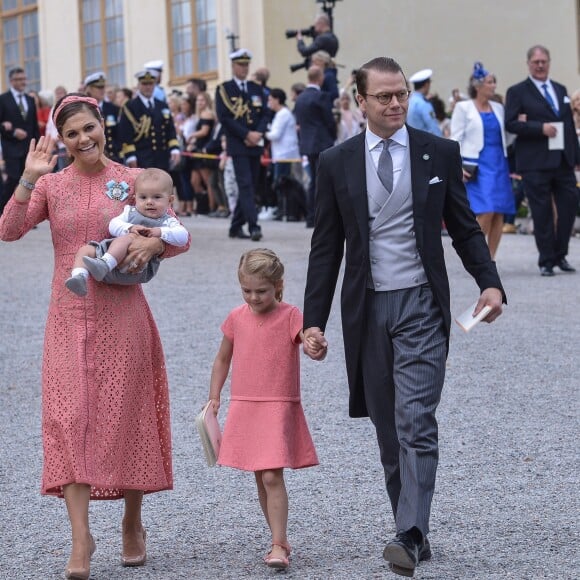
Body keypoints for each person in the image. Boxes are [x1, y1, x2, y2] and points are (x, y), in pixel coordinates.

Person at [302, 57, 505, 578]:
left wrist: (490, 281)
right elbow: (325, 248)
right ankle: (411, 527)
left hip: (420, 304)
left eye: (401, 96)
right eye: (385, 96)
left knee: (417, 420)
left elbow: (462, 227)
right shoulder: (335, 161)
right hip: (367, 308)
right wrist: (313, 320)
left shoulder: (437, 151)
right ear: (361, 100)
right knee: (389, 427)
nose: (396, 104)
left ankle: (409, 533)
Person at [0, 93, 190, 579]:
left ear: (103, 125)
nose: (84, 139)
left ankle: (132, 522)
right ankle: (80, 539)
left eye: (90, 128)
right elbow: (9, 229)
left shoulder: (130, 180)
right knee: (69, 419)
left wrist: (149, 244)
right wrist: (27, 178)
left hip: (122, 314)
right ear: (60, 141)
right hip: (67, 314)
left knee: (124, 415)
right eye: (72, 133)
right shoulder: (53, 183)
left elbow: (173, 230)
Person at [208, 248, 318, 571]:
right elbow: (223, 358)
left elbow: (306, 340)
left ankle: (278, 543)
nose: (253, 298)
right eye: (247, 291)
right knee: (261, 476)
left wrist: (313, 344)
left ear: (278, 286)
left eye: (262, 291)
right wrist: (214, 396)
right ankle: (277, 537)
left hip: (277, 405)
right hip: (246, 405)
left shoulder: (291, 315)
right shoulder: (236, 317)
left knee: (271, 474)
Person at [505, 45, 580, 276]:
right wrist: (540, 128)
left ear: (549, 62)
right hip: (535, 162)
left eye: (544, 61)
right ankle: (546, 260)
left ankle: (561, 254)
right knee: (542, 212)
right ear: (528, 63)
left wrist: (576, 157)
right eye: (536, 62)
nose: (540, 65)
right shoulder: (518, 91)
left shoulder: (560, 89)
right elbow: (511, 123)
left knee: (569, 207)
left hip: (562, 161)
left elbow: (568, 126)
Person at [65, 167, 188, 296]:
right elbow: (113, 225)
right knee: (85, 250)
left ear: (170, 200)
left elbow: (184, 237)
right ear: (135, 198)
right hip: (110, 265)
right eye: (143, 197)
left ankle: (104, 264)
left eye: (157, 197)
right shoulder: (130, 212)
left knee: (129, 238)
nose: (149, 202)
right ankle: (79, 277)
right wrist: (129, 228)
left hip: (138, 267)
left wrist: (161, 232)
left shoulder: (168, 221)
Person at [450, 62, 515, 259]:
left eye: (494, 81)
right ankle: (475, 254)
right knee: (485, 210)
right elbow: (455, 138)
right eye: (489, 82)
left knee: (499, 212)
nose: (494, 85)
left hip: (499, 162)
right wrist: (457, 165)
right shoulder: (463, 108)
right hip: (478, 164)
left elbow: (507, 135)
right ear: (478, 86)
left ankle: (491, 258)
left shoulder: (498, 107)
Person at [215, 48, 268, 241]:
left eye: (246, 65)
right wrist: (246, 134)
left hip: (255, 143)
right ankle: (254, 226)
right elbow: (225, 118)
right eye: (240, 65)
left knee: (250, 185)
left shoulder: (256, 88)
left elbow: (264, 114)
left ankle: (235, 226)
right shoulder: (224, 89)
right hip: (238, 144)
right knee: (245, 185)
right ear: (233, 66)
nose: (243, 68)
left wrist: (258, 133)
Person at [294, 65, 337, 227]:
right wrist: (332, 137)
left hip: (307, 144)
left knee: (313, 182)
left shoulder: (300, 98)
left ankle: (311, 216)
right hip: (322, 143)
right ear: (321, 78)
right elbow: (329, 121)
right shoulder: (321, 97)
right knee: (324, 182)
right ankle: (323, 217)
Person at [119, 69, 181, 172]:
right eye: (144, 84)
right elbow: (125, 134)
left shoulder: (162, 105)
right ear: (139, 85)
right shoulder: (130, 107)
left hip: (162, 157)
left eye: (151, 84)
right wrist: (130, 156)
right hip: (141, 157)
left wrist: (174, 148)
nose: (148, 87)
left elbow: (170, 129)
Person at [0, 67, 40, 215]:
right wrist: (11, 131)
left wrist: (37, 146)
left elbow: (34, 125)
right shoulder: (3, 99)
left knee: (28, 181)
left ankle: (24, 214)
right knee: (13, 180)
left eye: (24, 79)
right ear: (11, 81)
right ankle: (3, 212)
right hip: (11, 148)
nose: (23, 82)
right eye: (19, 79)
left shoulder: (30, 99)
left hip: (28, 148)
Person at [265, 88, 304, 221]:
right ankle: (283, 209)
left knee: (282, 183)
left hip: (285, 155)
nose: (268, 102)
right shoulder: (280, 114)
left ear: (277, 100)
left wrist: (262, 134)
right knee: (280, 183)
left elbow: (275, 135)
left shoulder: (283, 114)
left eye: (270, 99)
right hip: (281, 154)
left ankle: (286, 210)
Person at [83, 71, 123, 163]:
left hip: (113, 155)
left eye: (103, 87)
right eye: (98, 87)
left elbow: (119, 133)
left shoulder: (113, 108)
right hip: (92, 156)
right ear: (89, 89)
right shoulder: (84, 109)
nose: (102, 90)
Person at [407, 68, 442, 136]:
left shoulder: (409, 101)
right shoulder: (424, 104)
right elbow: (433, 128)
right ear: (426, 84)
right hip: (426, 143)